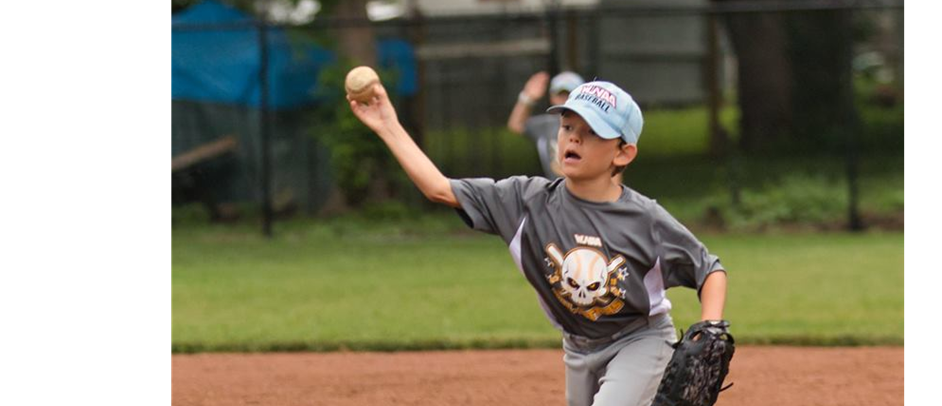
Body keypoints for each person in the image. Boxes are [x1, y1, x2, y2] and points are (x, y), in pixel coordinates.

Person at [348, 80, 728, 406]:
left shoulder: (644, 219)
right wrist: (388, 125)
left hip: (639, 338)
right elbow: (438, 188)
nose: (574, 137)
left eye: (592, 131)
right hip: (577, 347)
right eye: (567, 126)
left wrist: (710, 327)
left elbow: (708, 269)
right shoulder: (525, 201)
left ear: (623, 152)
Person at [508, 71, 585, 180]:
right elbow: (516, 125)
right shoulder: (546, 125)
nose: (564, 99)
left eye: (569, 94)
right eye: (560, 94)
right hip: (555, 192)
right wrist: (527, 98)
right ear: (552, 97)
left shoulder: (592, 126)